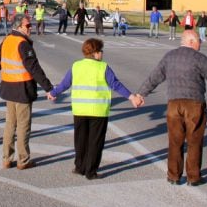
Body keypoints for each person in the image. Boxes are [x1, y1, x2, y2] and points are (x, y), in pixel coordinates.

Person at [136, 30, 207, 186]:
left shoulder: (169, 57)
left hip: (174, 104)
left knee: (175, 141)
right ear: (191, 41)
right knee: (194, 141)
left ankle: (173, 176)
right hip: (194, 105)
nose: (200, 43)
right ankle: (193, 177)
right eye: (198, 40)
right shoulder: (199, 58)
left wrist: (141, 94)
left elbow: (154, 77)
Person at [48, 38, 141, 179]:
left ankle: (79, 167)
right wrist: (132, 97)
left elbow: (65, 84)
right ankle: (91, 171)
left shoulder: (76, 66)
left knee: (80, 140)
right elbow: (115, 84)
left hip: (80, 109)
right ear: (95, 53)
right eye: (101, 51)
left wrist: (54, 93)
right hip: (98, 110)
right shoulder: (103, 67)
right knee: (95, 142)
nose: (102, 53)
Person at [0, 14, 54, 170]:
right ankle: (23, 160)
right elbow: (34, 68)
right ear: (19, 27)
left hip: (9, 89)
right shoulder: (22, 43)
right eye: (28, 26)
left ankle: (6, 159)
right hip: (22, 89)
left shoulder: (7, 40)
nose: (30, 28)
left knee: (10, 125)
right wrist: (48, 88)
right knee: (23, 126)